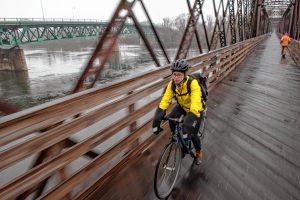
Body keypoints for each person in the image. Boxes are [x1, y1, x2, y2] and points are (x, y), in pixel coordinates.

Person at [152, 59, 205, 165]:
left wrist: (189, 121)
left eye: (179, 75)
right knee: (172, 118)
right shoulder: (172, 84)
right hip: (182, 106)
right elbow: (165, 100)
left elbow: (195, 103)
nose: (176, 77)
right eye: (174, 74)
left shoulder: (192, 83)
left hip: (196, 110)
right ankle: (177, 140)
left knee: (193, 135)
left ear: (184, 75)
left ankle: (199, 153)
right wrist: (158, 117)